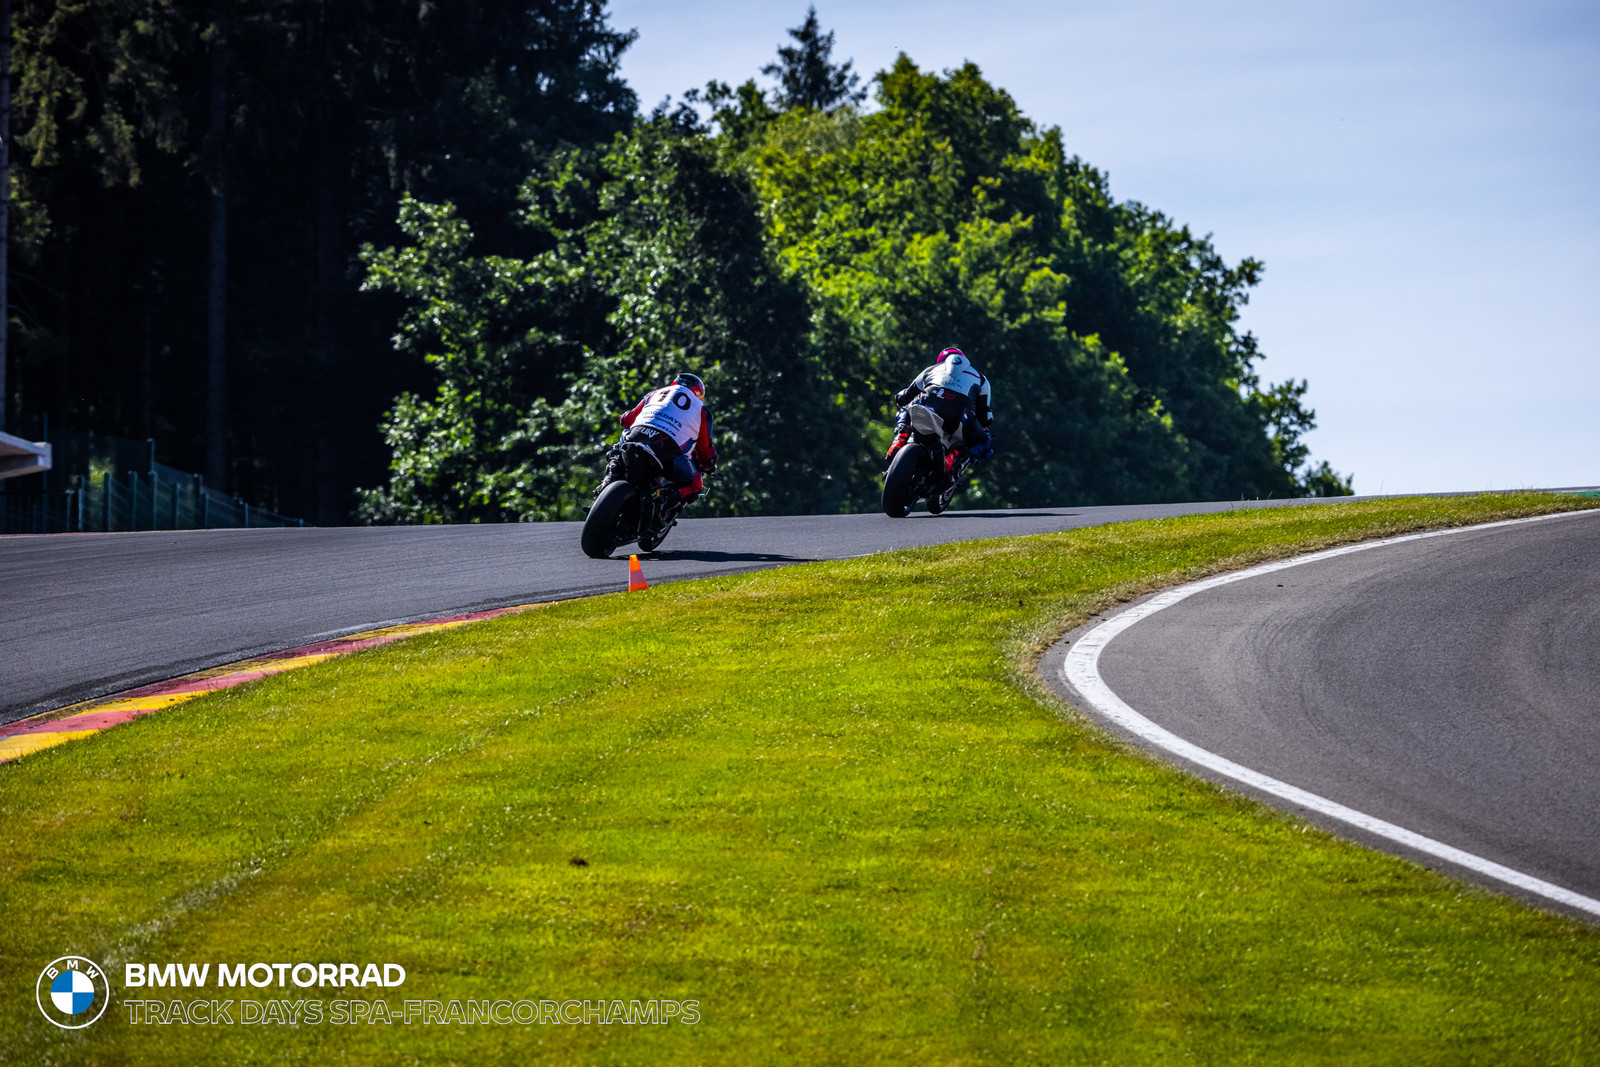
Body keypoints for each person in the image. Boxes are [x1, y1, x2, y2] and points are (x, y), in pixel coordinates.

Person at [610, 372, 719, 503]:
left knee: (621, 442)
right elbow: (704, 449)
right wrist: (708, 465)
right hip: (666, 448)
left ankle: (609, 479)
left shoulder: (656, 393)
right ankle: (663, 502)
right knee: (695, 484)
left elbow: (626, 421)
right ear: (698, 393)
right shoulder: (702, 409)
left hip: (637, 435)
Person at [884, 347, 994, 469]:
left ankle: (900, 436)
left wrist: (899, 398)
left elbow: (905, 396)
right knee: (984, 443)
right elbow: (985, 416)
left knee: (907, 408)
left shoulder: (931, 369)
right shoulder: (981, 379)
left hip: (927, 405)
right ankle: (954, 457)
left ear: (941, 361)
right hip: (959, 416)